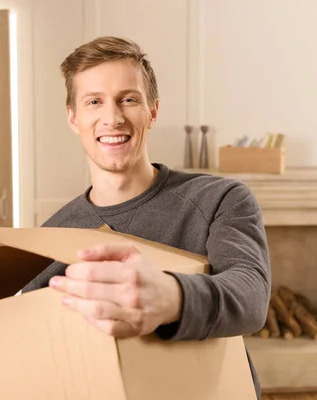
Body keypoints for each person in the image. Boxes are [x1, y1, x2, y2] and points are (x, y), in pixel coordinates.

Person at [21, 36, 272, 398]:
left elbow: (251, 297)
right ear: (73, 118)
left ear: (152, 111)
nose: (113, 118)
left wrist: (171, 298)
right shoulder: (52, 235)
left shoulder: (221, 199)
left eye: (129, 99)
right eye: (94, 101)